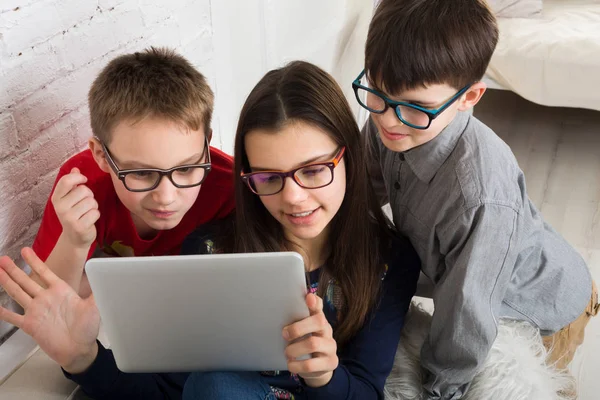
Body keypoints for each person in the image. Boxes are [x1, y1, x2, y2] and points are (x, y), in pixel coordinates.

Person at [0, 61, 420, 399]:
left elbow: (366, 388)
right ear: (247, 177)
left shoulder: (389, 259)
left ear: (350, 156)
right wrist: (82, 358)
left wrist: (325, 377)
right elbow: (170, 388)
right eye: (268, 178)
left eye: (313, 171)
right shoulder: (209, 249)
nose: (293, 197)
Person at [353, 0, 596, 399]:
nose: (388, 120)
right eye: (378, 94)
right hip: (480, 280)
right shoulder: (394, 116)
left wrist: (439, 392)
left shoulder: (479, 195)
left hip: (543, 310)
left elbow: (468, 315)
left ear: (470, 96)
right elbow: (358, 192)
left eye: (417, 108)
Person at [31, 47, 235, 298]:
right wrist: (74, 243)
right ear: (101, 157)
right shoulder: (82, 188)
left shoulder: (230, 183)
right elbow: (37, 301)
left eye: (185, 168)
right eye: (141, 173)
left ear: (206, 145)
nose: (166, 197)